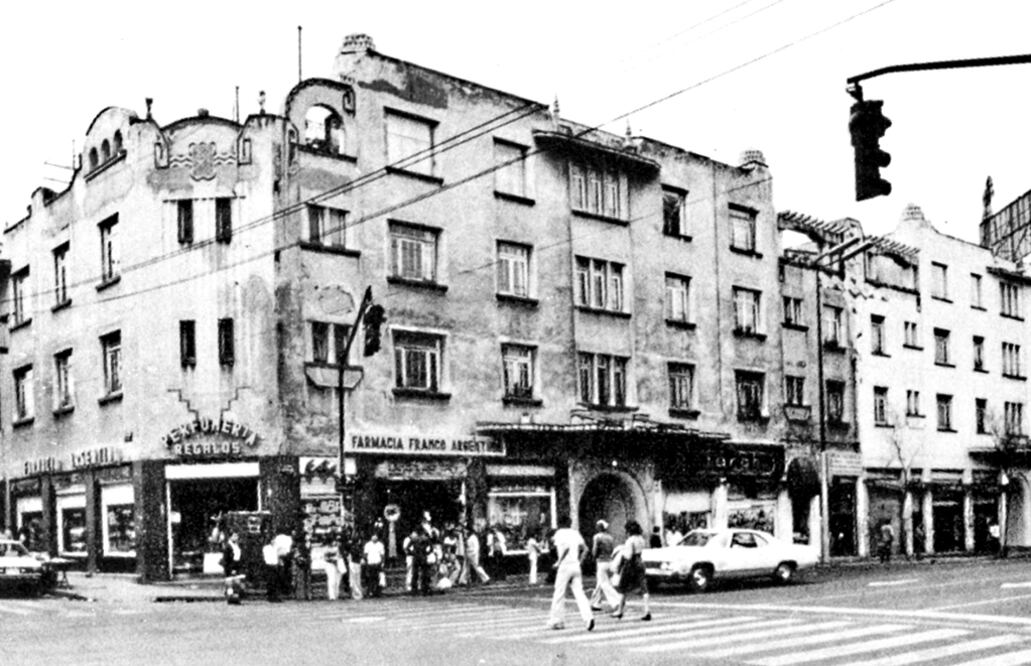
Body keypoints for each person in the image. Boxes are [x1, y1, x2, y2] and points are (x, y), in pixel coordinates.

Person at [546, 516, 595, 632]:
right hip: (576, 565)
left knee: (559, 593)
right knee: (579, 593)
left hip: (565, 566)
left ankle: (557, 621)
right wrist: (580, 561)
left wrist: (558, 561)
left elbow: (566, 548)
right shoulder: (575, 533)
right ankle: (588, 617)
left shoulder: (559, 533)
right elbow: (586, 549)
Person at [612, 520, 651, 621]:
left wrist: (622, 554)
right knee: (644, 588)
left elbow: (628, 555)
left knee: (623, 587)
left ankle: (620, 610)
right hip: (640, 562)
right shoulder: (641, 539)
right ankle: (647, 610)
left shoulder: (630, 540)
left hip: (631, 564)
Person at [589, 520, 620, 611]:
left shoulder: (597, 537)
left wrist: (594, 556)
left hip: (601, 562)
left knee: (604, 584)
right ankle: (595, 603)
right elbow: (612, 550)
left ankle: (617, 601)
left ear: (600, 527)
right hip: (609, 561)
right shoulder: (610, 537)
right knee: (600, 583)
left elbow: (594, 550)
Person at [221, 532, 244, 605]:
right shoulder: (228, 546)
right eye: (234, 536)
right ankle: (230, 598)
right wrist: (230, 569)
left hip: (237, 566)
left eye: (237, 536)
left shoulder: (237, 546)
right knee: (230, 583)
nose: (236, 538)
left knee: (237, 583)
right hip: (230, 566)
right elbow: (226, 559)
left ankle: (236, 598)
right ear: (230, 537)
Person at [363, 532, 386, 597]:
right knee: (370, 579)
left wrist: (382, 563)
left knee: (379, 579)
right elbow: (365, 554)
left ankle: (378, 592)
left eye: (376, 536)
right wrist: (366, 562)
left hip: (378, 563)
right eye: (373, 536)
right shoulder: (368, 545)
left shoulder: (380, 545)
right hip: (370, 564)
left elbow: (382, 555)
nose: (374, 537)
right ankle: (370, 592)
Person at [345, 529, 364, 600]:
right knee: (354, 579)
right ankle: (355, 593)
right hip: (353, 562)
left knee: (356, 579)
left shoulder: (357, 547)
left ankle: (357, 593)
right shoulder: (352, 547)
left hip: (356, 563)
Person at [263, 537, 282, 602]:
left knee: (276, 582)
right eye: (273, 540)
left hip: (275, 565)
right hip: (269, 565)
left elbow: (278, 556)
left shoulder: (276, 548)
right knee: (270, 581)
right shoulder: (266, 548)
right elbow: (267, 557)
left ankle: (275, 596)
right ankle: (270, 596)